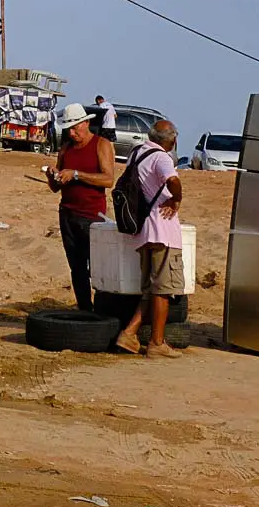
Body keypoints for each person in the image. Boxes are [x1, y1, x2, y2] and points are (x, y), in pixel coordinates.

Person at [117, 120, 186, 359]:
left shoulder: (136, 153)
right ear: (171, 139)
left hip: (143, 230)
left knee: (150, 288)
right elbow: (173, 181)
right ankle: (157, 343)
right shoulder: (162, 157)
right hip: (162, 230)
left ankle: (129, 333)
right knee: (163, 289)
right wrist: (176, 199)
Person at [46, 102, 117, 312]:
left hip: (92, 215)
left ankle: (105, 307)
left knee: (96, 265)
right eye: (69, 128)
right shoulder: (66, 148)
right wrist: (53, 176)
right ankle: (85, 307)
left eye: (76, 127)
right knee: (76, 266)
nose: (72, 132)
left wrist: (77, 174)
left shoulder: (101, 144)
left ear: (86, 123)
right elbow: (55, 188)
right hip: (68, 213)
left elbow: (108, 180)